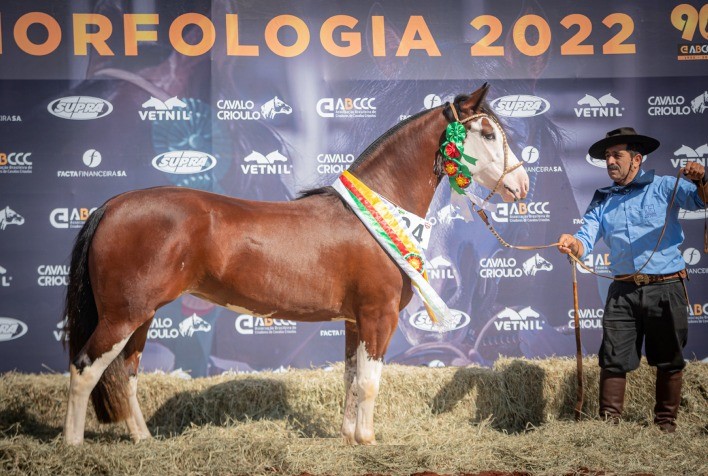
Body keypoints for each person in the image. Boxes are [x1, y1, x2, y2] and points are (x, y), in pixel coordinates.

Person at [557, 127, 707, 432]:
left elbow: (702, 202)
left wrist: (702, 179)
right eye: (607, 156)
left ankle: (665, 427)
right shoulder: (602, 199)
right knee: (612, 358)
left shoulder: (666, 185)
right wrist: (574, 244)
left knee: (669, 359)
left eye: (617, 155)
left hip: (666, 286)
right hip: (622, 290)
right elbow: (585, 236)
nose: (610, 160)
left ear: (636, 159)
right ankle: (608, 429)